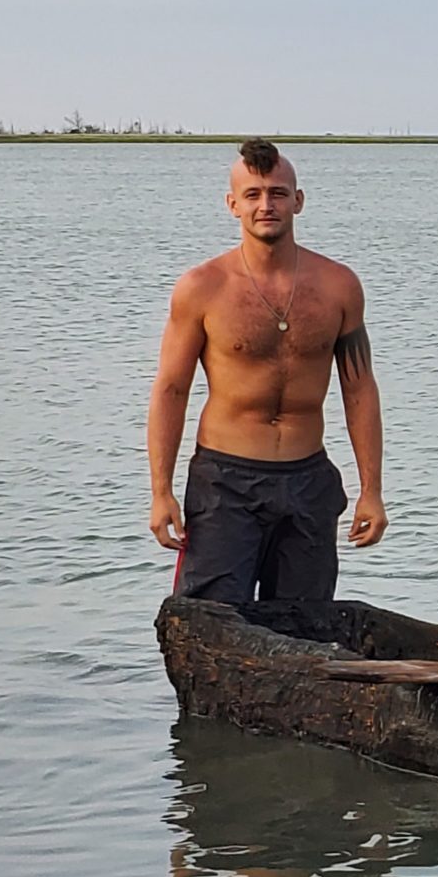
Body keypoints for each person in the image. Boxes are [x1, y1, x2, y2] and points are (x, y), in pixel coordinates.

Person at [148, 138, 387, 600]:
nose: (266, 205)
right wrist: (162, 492)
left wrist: (371, 490)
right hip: (225, 484)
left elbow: (359, 390)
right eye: (253, 195)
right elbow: (171, 390)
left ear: (298, 201)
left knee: (304, 628)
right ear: (232, 204)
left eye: (278, 193)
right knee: (212, 624)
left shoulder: (339, 286)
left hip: (308, 481)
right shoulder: (202, 288)